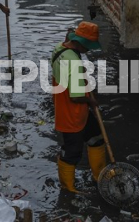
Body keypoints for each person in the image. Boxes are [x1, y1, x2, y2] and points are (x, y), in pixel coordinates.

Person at [51, 21, 106, 193]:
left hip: (72, 109)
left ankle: (100, 175)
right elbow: (75, 97)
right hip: (72, 114)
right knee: (72, 152)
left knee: (96, 137)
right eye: (88, 47)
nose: (88, 50)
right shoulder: (74, 63)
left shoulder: (60, 48)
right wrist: (91, 101)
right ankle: (68, 188)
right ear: (80, 43)